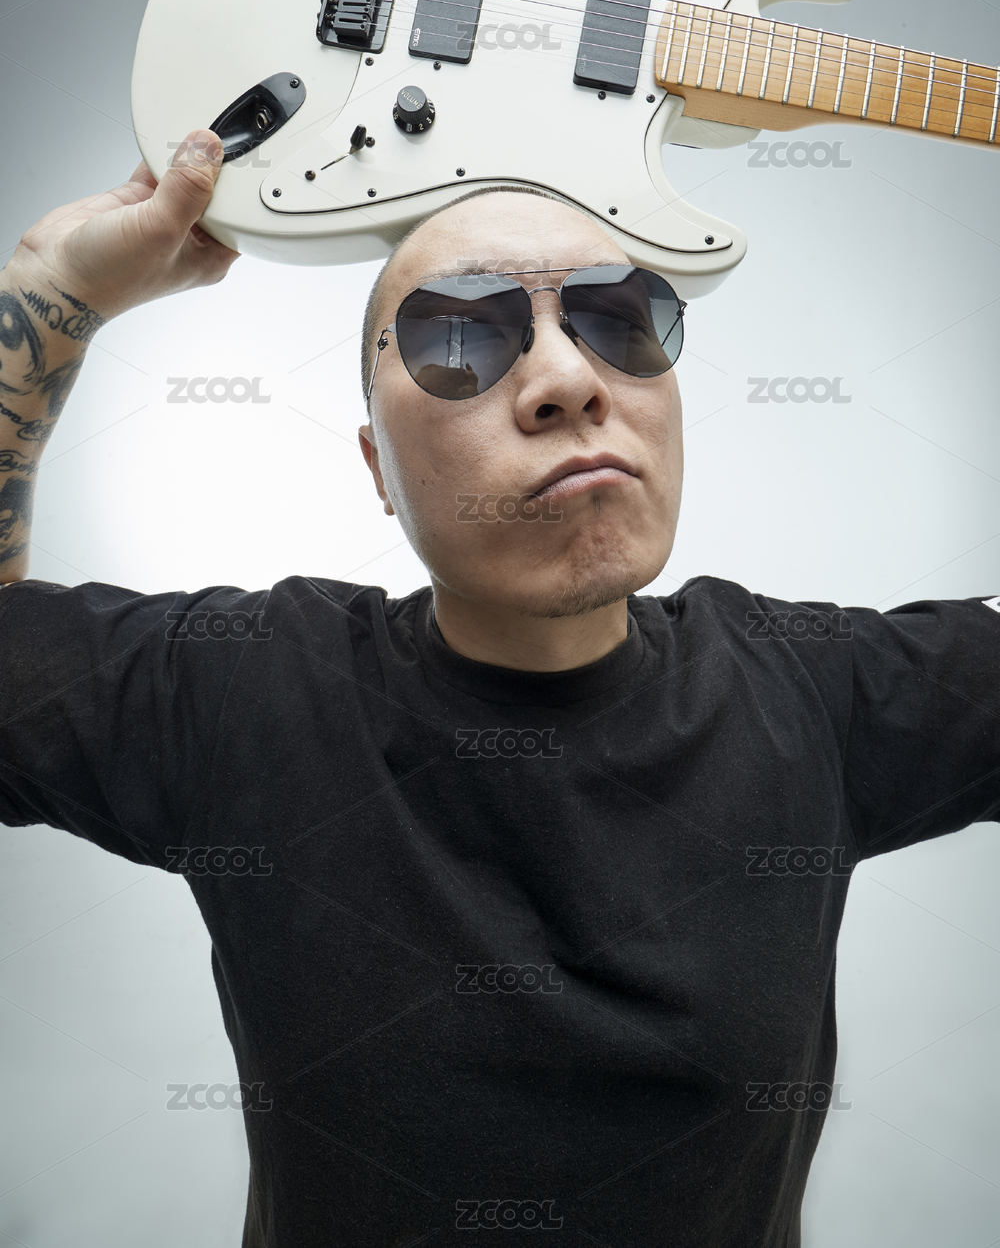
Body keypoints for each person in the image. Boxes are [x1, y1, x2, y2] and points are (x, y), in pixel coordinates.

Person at [1, 131, 997, 1248]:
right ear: (377, 468)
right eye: (459, 337)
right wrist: (53, 289)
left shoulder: (815, 693)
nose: (568, 381)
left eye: (619, 318)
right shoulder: (248, 692)